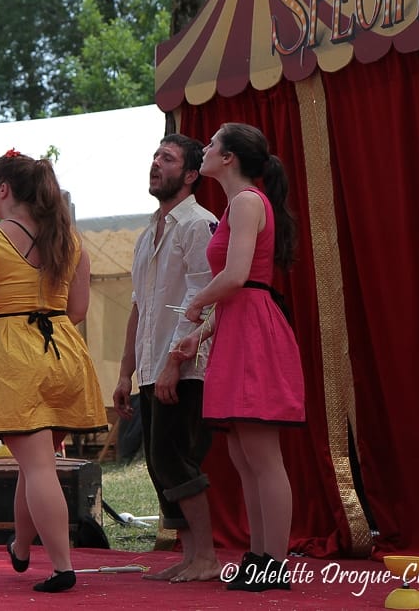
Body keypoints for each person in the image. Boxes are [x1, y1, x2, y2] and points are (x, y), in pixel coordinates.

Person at [0, 149, 108, 593]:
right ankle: (21, 547)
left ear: (3, 189)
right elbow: (78, 310)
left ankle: (63, 567)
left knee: (39, 466)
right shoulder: (69, 240)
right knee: (33, 464)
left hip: (14, 353)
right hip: (63, 353)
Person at [175, 122, 305, 593]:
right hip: (237, 326)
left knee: (262, 453)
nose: (204, 150)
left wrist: (196, 305)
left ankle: (275, 561)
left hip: (252, 329)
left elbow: (237, 276)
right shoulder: (240, 204)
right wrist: (204, 330)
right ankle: (259, 555)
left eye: (211, 145)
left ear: (228, 158)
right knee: (243, 452)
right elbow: (240, 284)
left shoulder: (248, 202)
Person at [113, 134, 221, 583]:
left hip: (186, 365)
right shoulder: (146, 233)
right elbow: (139, 305)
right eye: (155, 156)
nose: (156, 164)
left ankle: (208, 556)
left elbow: (206, 298)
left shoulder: (199, 224)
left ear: (191, 174)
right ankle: (192, 554)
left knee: (175, 458)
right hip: (153, 363)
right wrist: (125, 370)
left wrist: (177, 362)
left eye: (168, 158)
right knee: (159, 463)